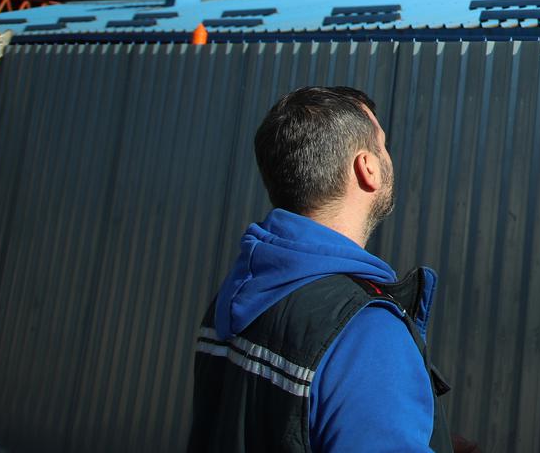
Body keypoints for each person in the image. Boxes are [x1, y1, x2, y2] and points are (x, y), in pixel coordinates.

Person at [188, 85, 475, 453]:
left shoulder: (238, 292)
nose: (388, 156)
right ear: (366, 168)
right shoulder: (367, 333)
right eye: (382, 145)